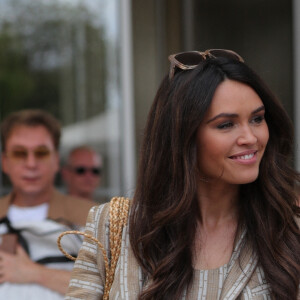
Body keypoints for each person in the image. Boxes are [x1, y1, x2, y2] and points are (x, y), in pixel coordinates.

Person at [65, 50, 300, 299]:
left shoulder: (289, 230)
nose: (251, 138)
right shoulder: (113, 226)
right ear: (182, 136)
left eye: (257, 119)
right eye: (226, 124)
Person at [0, 109, 94, 299]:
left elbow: (112, 285)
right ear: (5, 163)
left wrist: (33, 273)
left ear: (56, 160)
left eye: (41, 153)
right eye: (19, 153)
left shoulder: (91, 216)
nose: (31, 163)